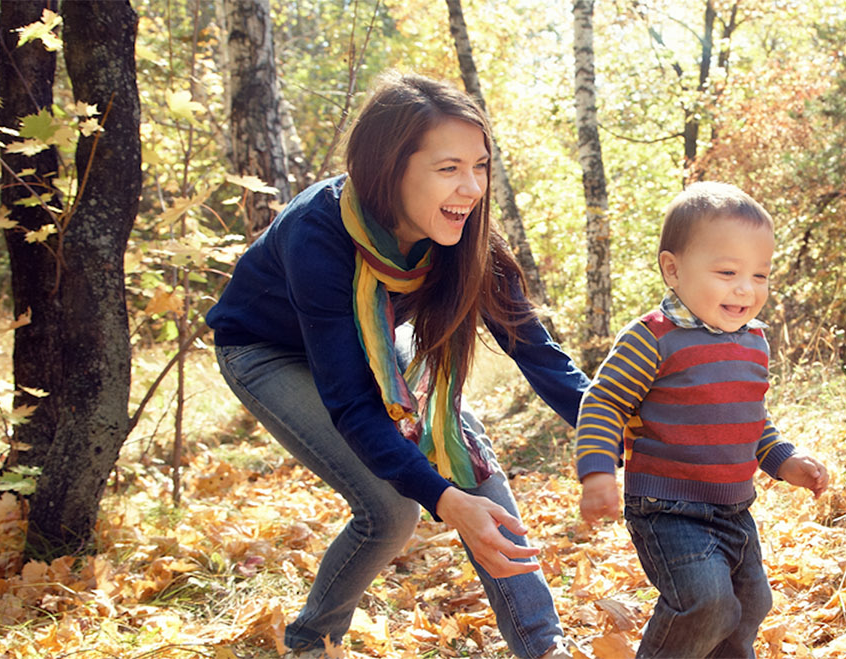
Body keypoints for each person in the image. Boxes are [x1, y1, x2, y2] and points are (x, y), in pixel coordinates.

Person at [206, 72, 583, 659]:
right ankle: (311, 642)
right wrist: (443, 499)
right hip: (265, 349)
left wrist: (620, 427)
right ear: (390, 166)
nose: (471, 187)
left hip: (370, 339)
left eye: (480, 166)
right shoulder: (318, 233)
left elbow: (534, 348)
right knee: (390, 509)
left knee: (465, 451)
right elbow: (352, 401)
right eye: (448, 168)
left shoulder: (462, 233)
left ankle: (543, 645)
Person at [574, 182, 830, 658]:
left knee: (750, 604)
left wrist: (785, 460)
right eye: (728, 271)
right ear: (673, 269)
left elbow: (750, 420)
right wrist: (596, 472)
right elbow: (604, 401)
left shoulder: (754, 341)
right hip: (667, 508)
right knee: (706, 602)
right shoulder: (653, 337)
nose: (745, 289)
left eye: (760, 275)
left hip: (733, 508)